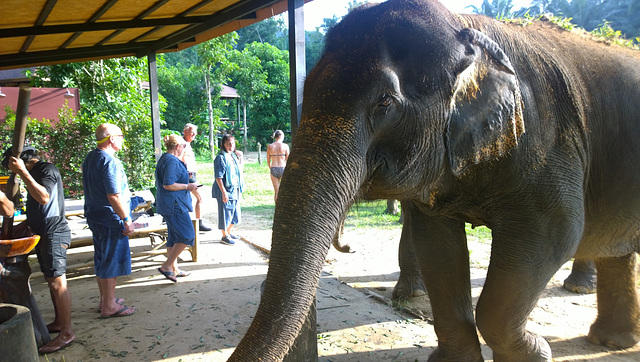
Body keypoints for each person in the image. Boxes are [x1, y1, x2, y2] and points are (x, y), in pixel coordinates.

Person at [6, 147, 75, 353]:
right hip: (43, 233)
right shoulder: (34, 174)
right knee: (51, 280)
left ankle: (67, 333)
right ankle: (58, 322)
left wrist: (23, 173)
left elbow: (44, 197)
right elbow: (41, 207)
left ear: (24, 162)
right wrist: (27, 222)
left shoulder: (47, 170)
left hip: (55, 233)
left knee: (57, 282)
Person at [82, 123, 136, 318]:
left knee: (102, 258)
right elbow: (114, 195)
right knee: (111, 261)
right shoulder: (109, 161)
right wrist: (127, 219)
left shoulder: (91, 157)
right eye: (120, 135)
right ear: (111, 138)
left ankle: (106, 299)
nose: (122, 138)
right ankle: (109, 307)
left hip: (95, 216)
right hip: (110, 218)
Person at [155, 134, 197, 282]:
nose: (184, 148)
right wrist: (188, 186)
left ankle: (174, 269)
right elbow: (168, 184)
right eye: (183, 146)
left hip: (168, 204)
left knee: (173, 238)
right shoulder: (171, 161)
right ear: (178, 146)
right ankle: (167, 266)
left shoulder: (165, 159)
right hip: (175, 205)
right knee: (187, 235)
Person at [213, 134, 244, 245]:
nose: (231, 145)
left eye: (233, 143)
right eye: (228, 143)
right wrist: (224, 192)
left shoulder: (233, 156)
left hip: (234, 189)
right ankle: (224, 235)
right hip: (225, 189)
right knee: (225, 213)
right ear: (224, 144)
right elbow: (218, 177)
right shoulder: (221, 158)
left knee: (235, 214)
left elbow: (239, 171)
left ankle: (229, 231)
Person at [181, 123, 212, 231]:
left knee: (194, 199)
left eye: (195, 133)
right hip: (188, 175)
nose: (194, 135)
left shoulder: (187, 144)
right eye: (192, 133)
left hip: (191, 174)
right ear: (185, 132)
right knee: (198, 198)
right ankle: (198, 223)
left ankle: (198, 222)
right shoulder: (182, 144)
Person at [266, 130, 290, 202]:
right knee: (283, 191)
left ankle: (277, 208)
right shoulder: (285, 146)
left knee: (276, 191)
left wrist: (270, 167)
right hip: (283, 168)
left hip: (273, 168)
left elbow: (268, 160)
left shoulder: (270, 146)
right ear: (280, 136)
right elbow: (288, 158)